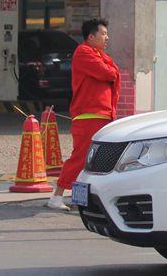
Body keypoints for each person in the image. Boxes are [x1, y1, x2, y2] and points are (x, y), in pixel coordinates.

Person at [48, 18, 120, 211]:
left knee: (93, 160)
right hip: (89, 115)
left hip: (102, 115)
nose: (107, 38)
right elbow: (108, 73)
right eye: (103, 34)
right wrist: (111, 70)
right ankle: (57, 196)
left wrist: (111, 69)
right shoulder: (83, 52)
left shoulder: (99, 55)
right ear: (91, 37)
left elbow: (113, 71)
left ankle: (80, 198)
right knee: (81, 157)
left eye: (107, 34)